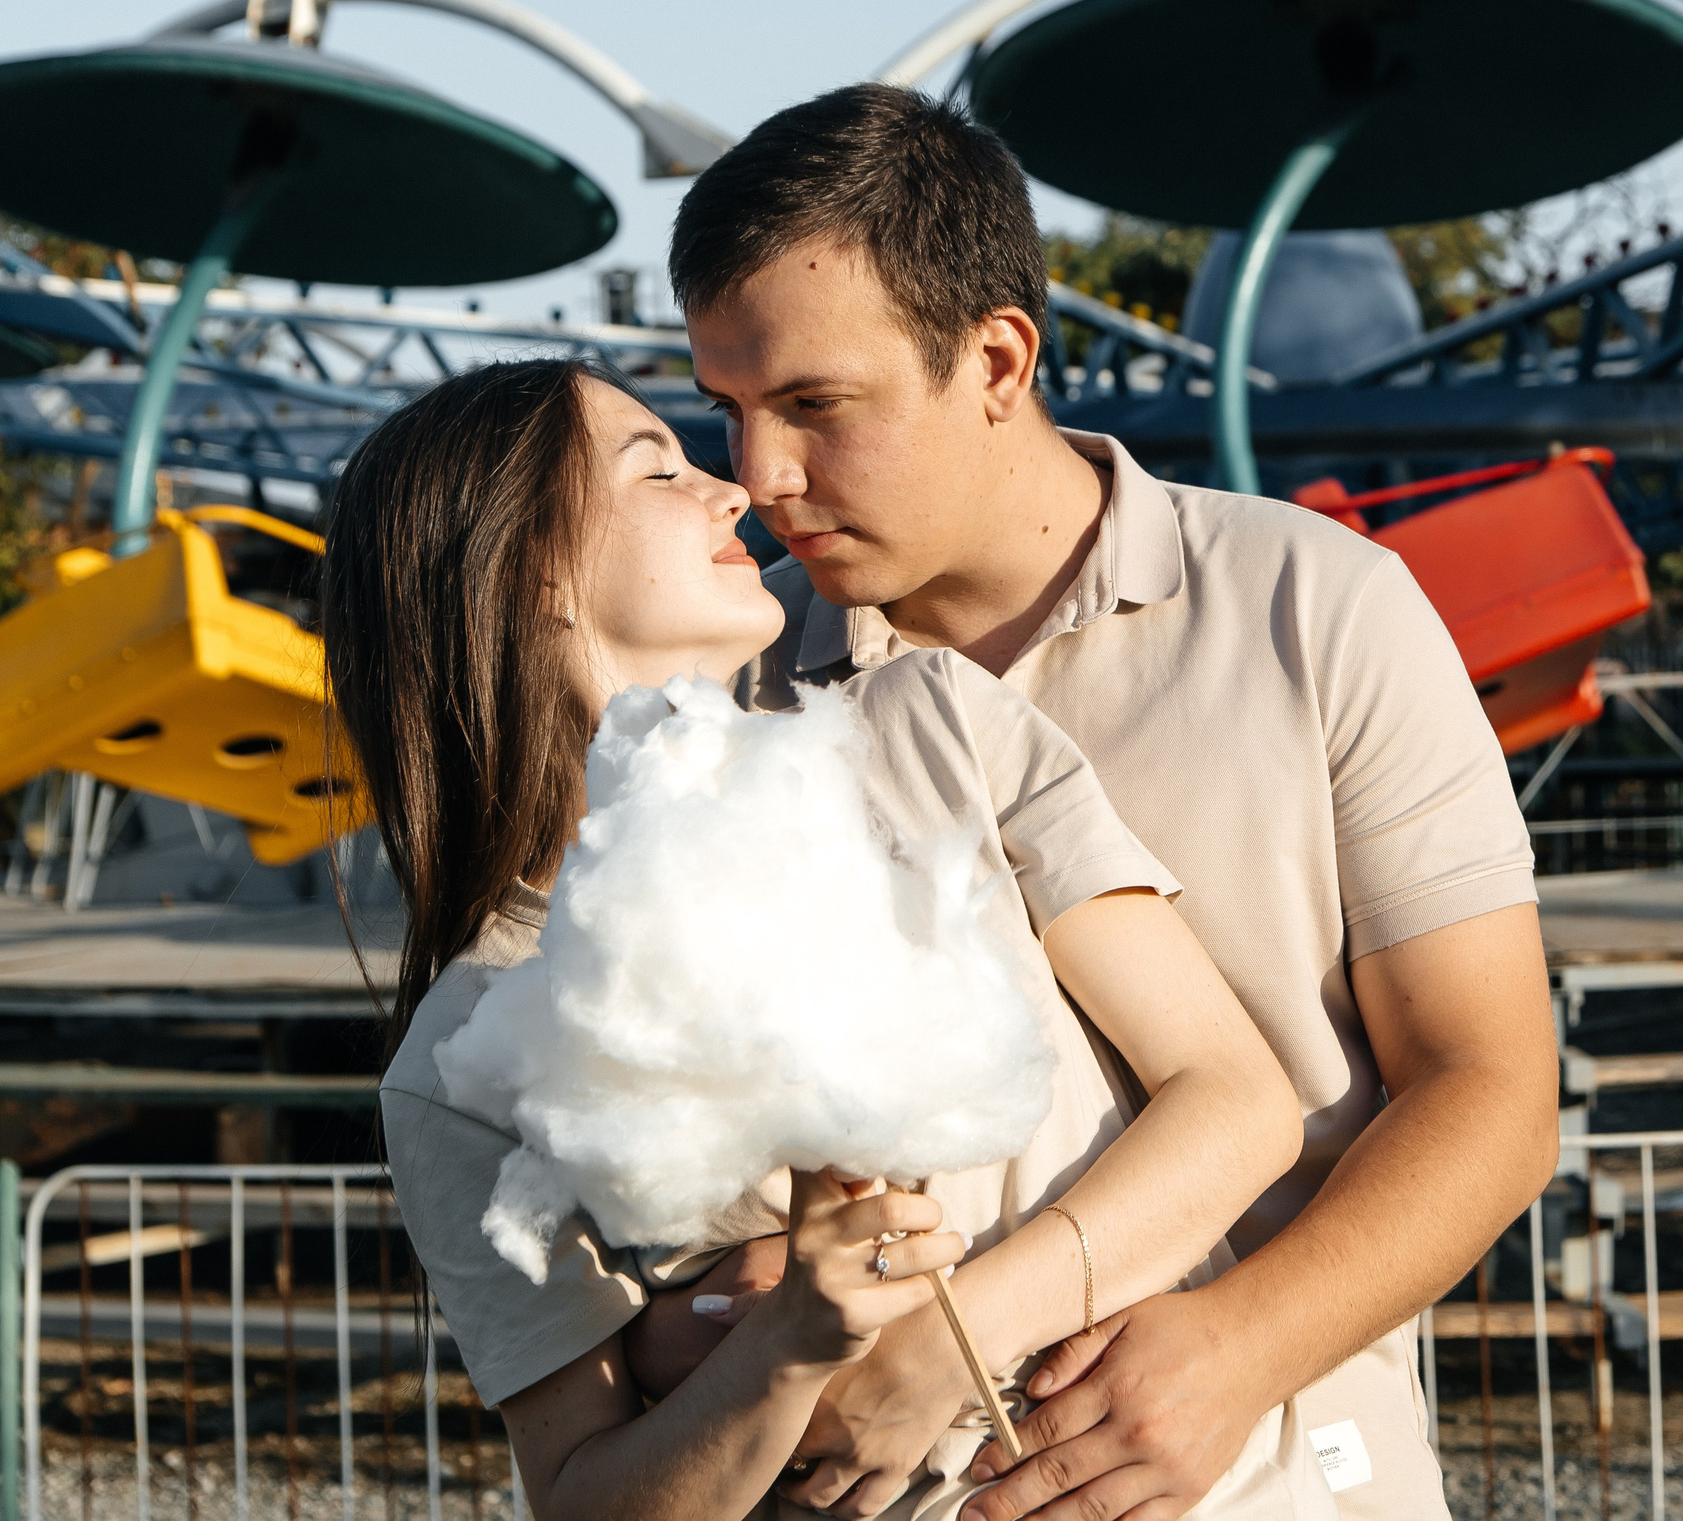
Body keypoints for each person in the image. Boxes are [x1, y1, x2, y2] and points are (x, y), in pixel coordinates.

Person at [679, 84, 1559, 1521]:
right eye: (728, 412)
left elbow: (1494, 1090)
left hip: (1289, 1473)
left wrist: (1241, 1346)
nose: (759, 476)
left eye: (814, 405)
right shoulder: (730, 688)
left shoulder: (1315, 605)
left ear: (997, 358)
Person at [329, 359, 1323, 1520]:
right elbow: (585, 1498)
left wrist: (948, 1341)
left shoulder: (939, 730)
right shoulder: (459, 1058)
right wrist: (788, 1342)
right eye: (658, 472)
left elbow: (1239, 1104)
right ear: (532, 576)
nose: (732, 491)